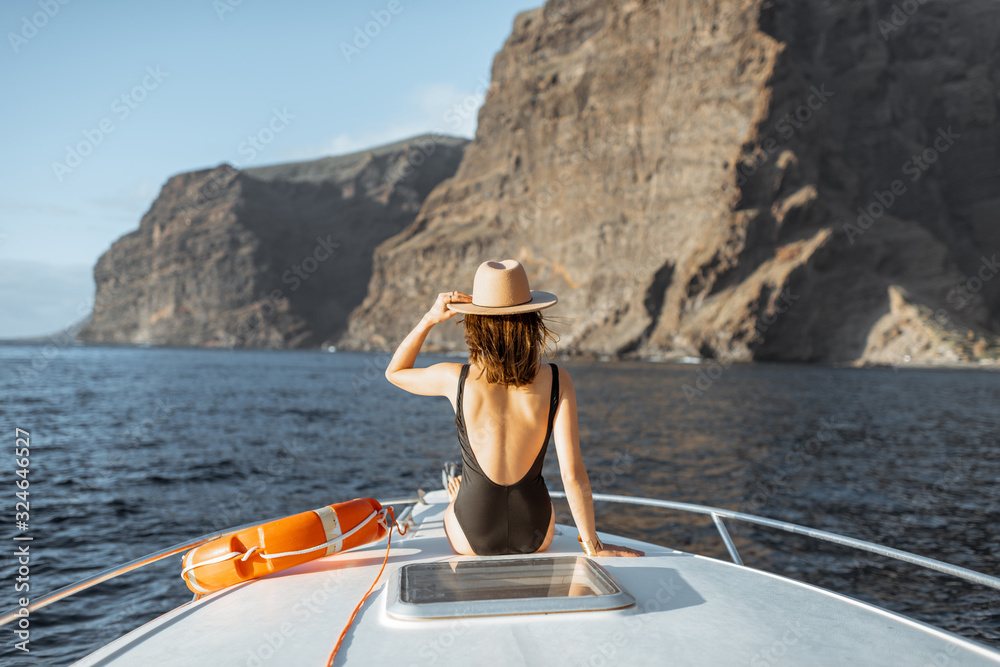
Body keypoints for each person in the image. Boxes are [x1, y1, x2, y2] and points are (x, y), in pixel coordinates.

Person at [385, 259, 644, 558]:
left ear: (475, 323)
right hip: (535, 534)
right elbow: (572, 474)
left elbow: (395, 372)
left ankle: (461, 498)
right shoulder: (558, 380)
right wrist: (593, 546)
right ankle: (465, 496)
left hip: (472, 537)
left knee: (456, 498)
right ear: (532, 320)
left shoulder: (455, 378)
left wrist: (429, 318)